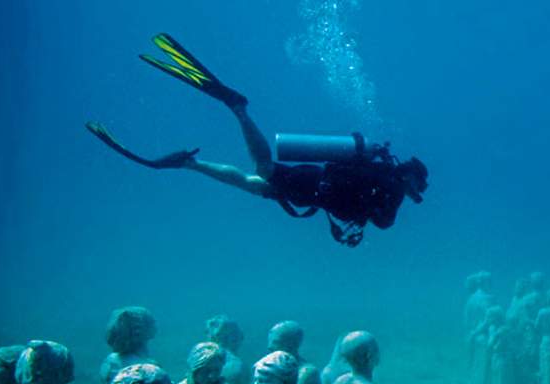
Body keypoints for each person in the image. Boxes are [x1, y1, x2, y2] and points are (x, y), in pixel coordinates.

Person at [86, 33, 428, 247]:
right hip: (314, 184)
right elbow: (384, 223)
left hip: (315, 186)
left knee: (255, 184)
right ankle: (239, 109)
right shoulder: (393, 186)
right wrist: (396, 198)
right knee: (263, 170)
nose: (416, 193)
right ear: (411, 176)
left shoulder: (384, 175)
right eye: (418, 186)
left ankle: (191, 163)